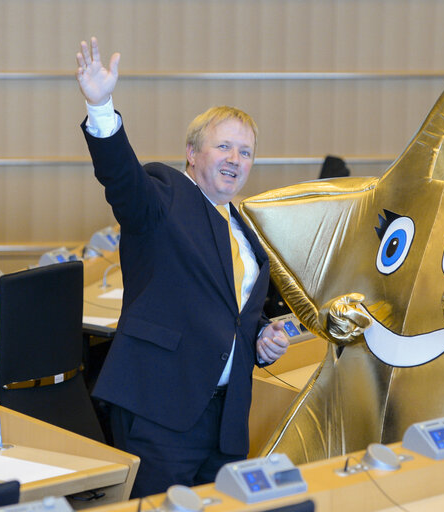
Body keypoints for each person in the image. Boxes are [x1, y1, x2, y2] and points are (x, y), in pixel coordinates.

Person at [75, 37, 290, 497]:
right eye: (224, 147)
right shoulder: (163, 196)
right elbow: (122, 181)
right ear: (192, 154)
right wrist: (101, 107)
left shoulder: (245, 229)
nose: (236, 160)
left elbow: (227, 305)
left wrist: (263, 335)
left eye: (246, 151)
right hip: (162, 411)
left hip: (226, 418)